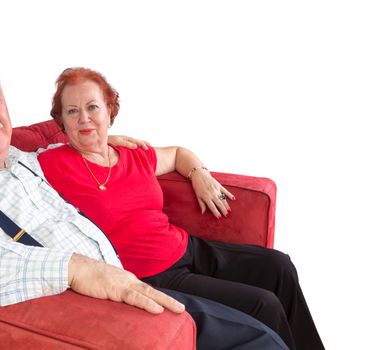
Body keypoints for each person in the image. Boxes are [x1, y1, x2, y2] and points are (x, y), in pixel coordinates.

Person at [0, 51, 288, 349]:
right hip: (104, 309)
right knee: (259, 335)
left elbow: (81, 146)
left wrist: (110, 146)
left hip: (131, 282)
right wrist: (73, 268)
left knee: (272, 290)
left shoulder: (27, 161)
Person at [38, 67, 325, 350]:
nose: (85, 118)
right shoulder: (52, 164)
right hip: (152, 275)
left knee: (280, 267)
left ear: (109, 111)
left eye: (92, 107)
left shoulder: (134, 153)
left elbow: (178, 154)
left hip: (187, 248)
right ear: (61, 121)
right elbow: (7, 156)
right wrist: (88, 140)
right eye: (73, 111)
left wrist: (199, 173)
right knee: (265, 305)